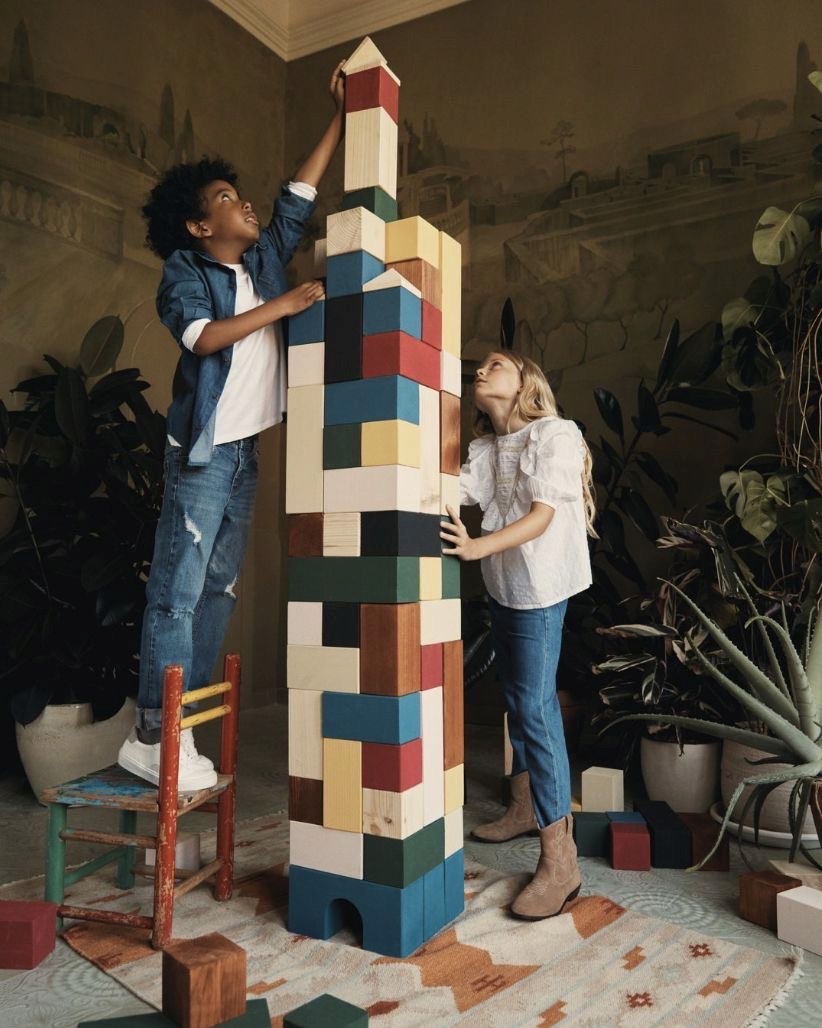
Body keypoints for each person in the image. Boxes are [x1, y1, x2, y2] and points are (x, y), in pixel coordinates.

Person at [118, 63, 346, 791]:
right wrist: (283, 309)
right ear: (198, 225)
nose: (245, 205)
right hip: (202, 452)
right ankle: (154, 734)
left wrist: (341, 114)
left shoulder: (264, 260)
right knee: (179, 592)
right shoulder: (186, 272)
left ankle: (182, 735)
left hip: (243, 454)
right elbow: (202, 340)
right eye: (227, 200)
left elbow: (294, 198)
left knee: (218, 592)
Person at [440, 350, 596, 919]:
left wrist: (476, 545)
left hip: (541, 588)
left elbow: (543, 515)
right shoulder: (485, 449)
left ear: (528, 380)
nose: (480, 371)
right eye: (477, 368)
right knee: (517, 701)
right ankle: (524, 806)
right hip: (504, 586)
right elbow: (452, 492)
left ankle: (562, 862)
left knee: (533, 705)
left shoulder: (553, 434)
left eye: (496, 365)